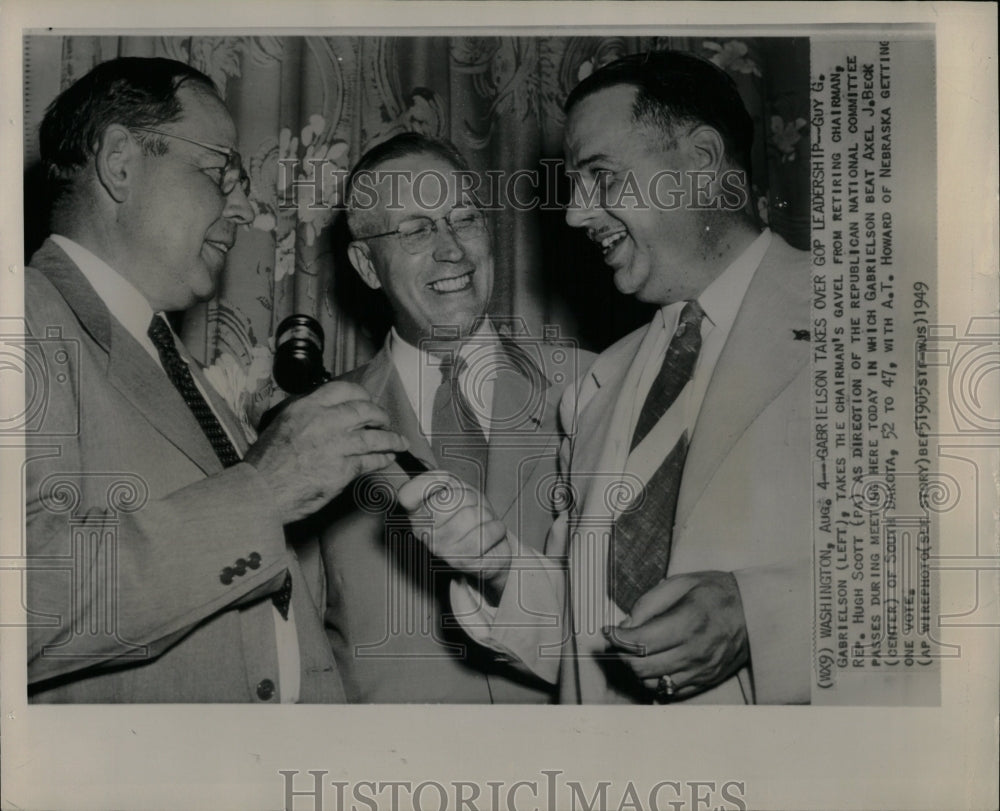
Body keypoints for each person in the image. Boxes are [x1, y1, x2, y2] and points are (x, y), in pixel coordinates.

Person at [398, 50, 812, 704]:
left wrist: (764, 619)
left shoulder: (876, 323)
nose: (575, 214)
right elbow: (591, 640)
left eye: (601, 178)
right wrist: (503, 564)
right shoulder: (598, 387)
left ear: (701, 164)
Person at [23, 57, 407, 702]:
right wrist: (266, 488)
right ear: (120, 161)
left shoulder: (172, 362)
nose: (244, 205)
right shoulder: (24, 315)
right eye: (219, 169)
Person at [315, 133, 588, 702]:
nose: (453, 251)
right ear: (367, 264)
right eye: (416, 230)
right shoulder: (311, 426)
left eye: (464, 219)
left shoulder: (595, 386)